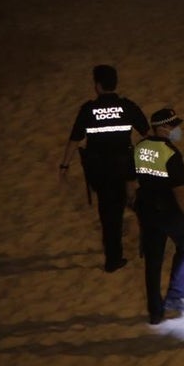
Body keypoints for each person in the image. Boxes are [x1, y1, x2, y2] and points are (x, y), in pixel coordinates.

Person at [59, 65, 149, 273]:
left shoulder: (88, 109)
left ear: (97, 86)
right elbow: (147, 134)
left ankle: (113, 260)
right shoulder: (127, 106)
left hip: (99, 171)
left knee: (109, 215)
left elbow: (74, 140)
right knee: (130, 202)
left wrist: (64, 165)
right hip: (125, 168)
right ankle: (146, 232)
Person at [130, 108, 184, 324]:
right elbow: (180, 191)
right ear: (163, 127)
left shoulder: (139, 147)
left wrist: (135, 207)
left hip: (146, 210)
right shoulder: (171, 153)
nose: (177, 130)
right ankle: (175, 297)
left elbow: (131, 182)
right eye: (174, 125)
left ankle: (155, 312)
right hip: (169, 211)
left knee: (153, 261)